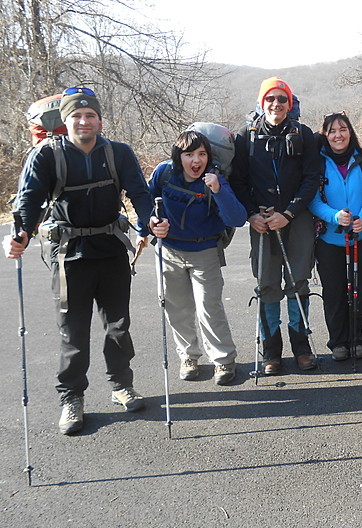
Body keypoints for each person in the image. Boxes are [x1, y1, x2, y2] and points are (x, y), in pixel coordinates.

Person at [4, 87, 153, 435]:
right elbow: (28, 200)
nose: (83, 121)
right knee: (74, 331)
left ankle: (121, 386)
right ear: (66, 120)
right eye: (76, 116)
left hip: (111, 249)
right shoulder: (47, 155)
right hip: (69, 255)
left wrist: (152, 223)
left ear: (99, 120)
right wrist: (20, 235)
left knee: (118, 326)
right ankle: (72, 398)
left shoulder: (118, 153)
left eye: (90, 115)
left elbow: (140, 193)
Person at [229, 77, 321, 375]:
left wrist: (291, 213)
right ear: (261, 102)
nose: (276, 104)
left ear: (290, 103)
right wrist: (251, 215)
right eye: (271, 99)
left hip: (297, 219)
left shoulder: (304, 135)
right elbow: (238, 181)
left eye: (282, 99)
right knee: (267, 284)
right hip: (262, 222)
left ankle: (301, 346)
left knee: (298, 282)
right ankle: (271, 350)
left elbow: (311, 179)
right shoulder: (246, 136)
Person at [148, 130, 246, 385]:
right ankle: (188, 357)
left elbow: (237, 218)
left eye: (201, 154)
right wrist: (150, 224)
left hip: (205, 252)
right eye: (189, 154)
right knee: (177, 309)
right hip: (169, 251)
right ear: (178, 156)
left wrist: (218, 190)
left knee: (209, 308)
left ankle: (223, 361)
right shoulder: (164, 173)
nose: (196, 160)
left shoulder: (215, 179)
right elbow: (145, 203)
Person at [309, 112, 362, 361]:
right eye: (332, 131)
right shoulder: (316, 162)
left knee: (359, 293)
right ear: (325, 135)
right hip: (330, 240)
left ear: (350, 131)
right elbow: (313, 200)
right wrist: (333, 216)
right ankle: (338, 342)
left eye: (342, 129)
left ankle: (356, 339)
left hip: (360, 238)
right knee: (334, 293)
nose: (338, 135)